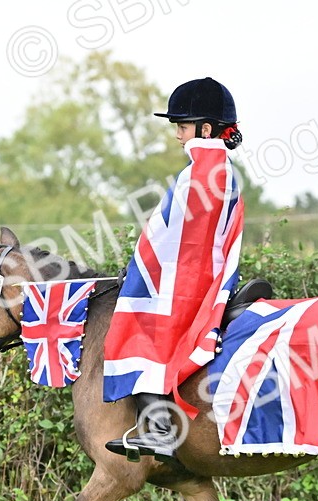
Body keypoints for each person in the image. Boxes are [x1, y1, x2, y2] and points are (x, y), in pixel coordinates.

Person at [102, 77, 246, 462]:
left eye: (182, 127)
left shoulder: (205, 168)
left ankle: (161, 429)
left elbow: (184, 240)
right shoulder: (211, 166)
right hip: (191, 276)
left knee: (135, 332)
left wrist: (144, 273)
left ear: (205, 128)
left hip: (188, 283)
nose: (178, 136)